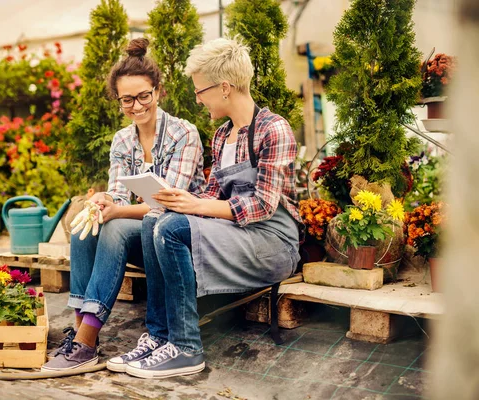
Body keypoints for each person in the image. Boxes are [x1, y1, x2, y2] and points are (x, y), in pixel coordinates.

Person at [115, 38, 304, 379]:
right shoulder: (221, 136)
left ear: (226, 88)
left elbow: (262, 206)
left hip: (274, 244)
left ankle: (187, 348)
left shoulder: (273, 129)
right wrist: (175, 200)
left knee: (171, 228)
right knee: (155, 221)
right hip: (237, 235)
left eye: (201, 90)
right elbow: (211, 195)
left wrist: (195, 206)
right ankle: (159, 337)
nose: (198, 98)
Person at [41, 38, 206, 372]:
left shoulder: (183, 134)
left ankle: (85, 342)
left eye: (144, 96)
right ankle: (81, 331)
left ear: (158, 91)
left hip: (178, 236)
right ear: (118, 101)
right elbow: (117, 195)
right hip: (144, 234)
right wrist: (103, 202)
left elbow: (169, 204)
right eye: (127, 99)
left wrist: (115, 212)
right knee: (86, 225)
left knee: (114, 226)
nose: (137, 106)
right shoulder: (122, 140)